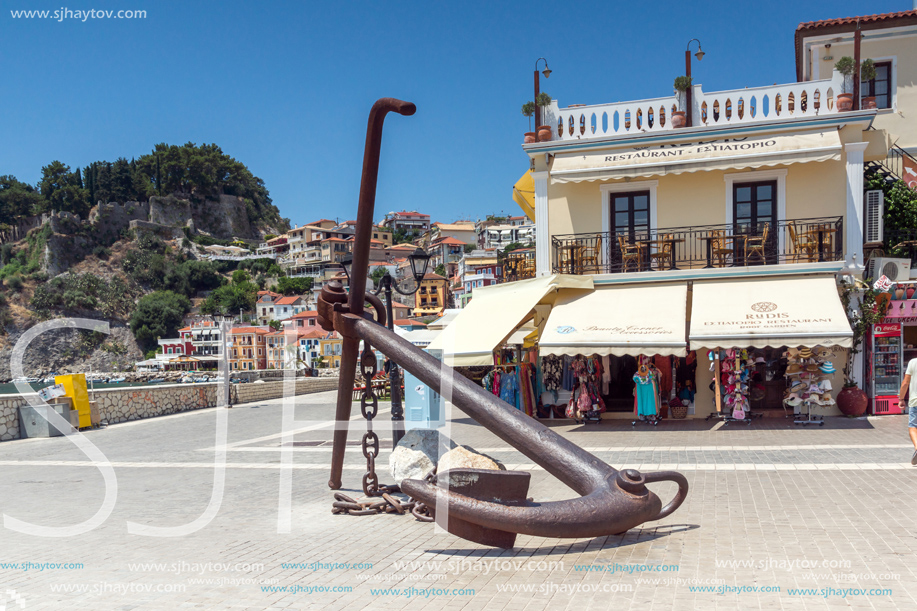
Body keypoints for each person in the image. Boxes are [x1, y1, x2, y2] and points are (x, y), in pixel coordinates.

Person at [897, 359, 917, 465]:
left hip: (915, 401)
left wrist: (901, 399)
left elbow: (905, 383)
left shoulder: (913, 362)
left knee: (913, 426)